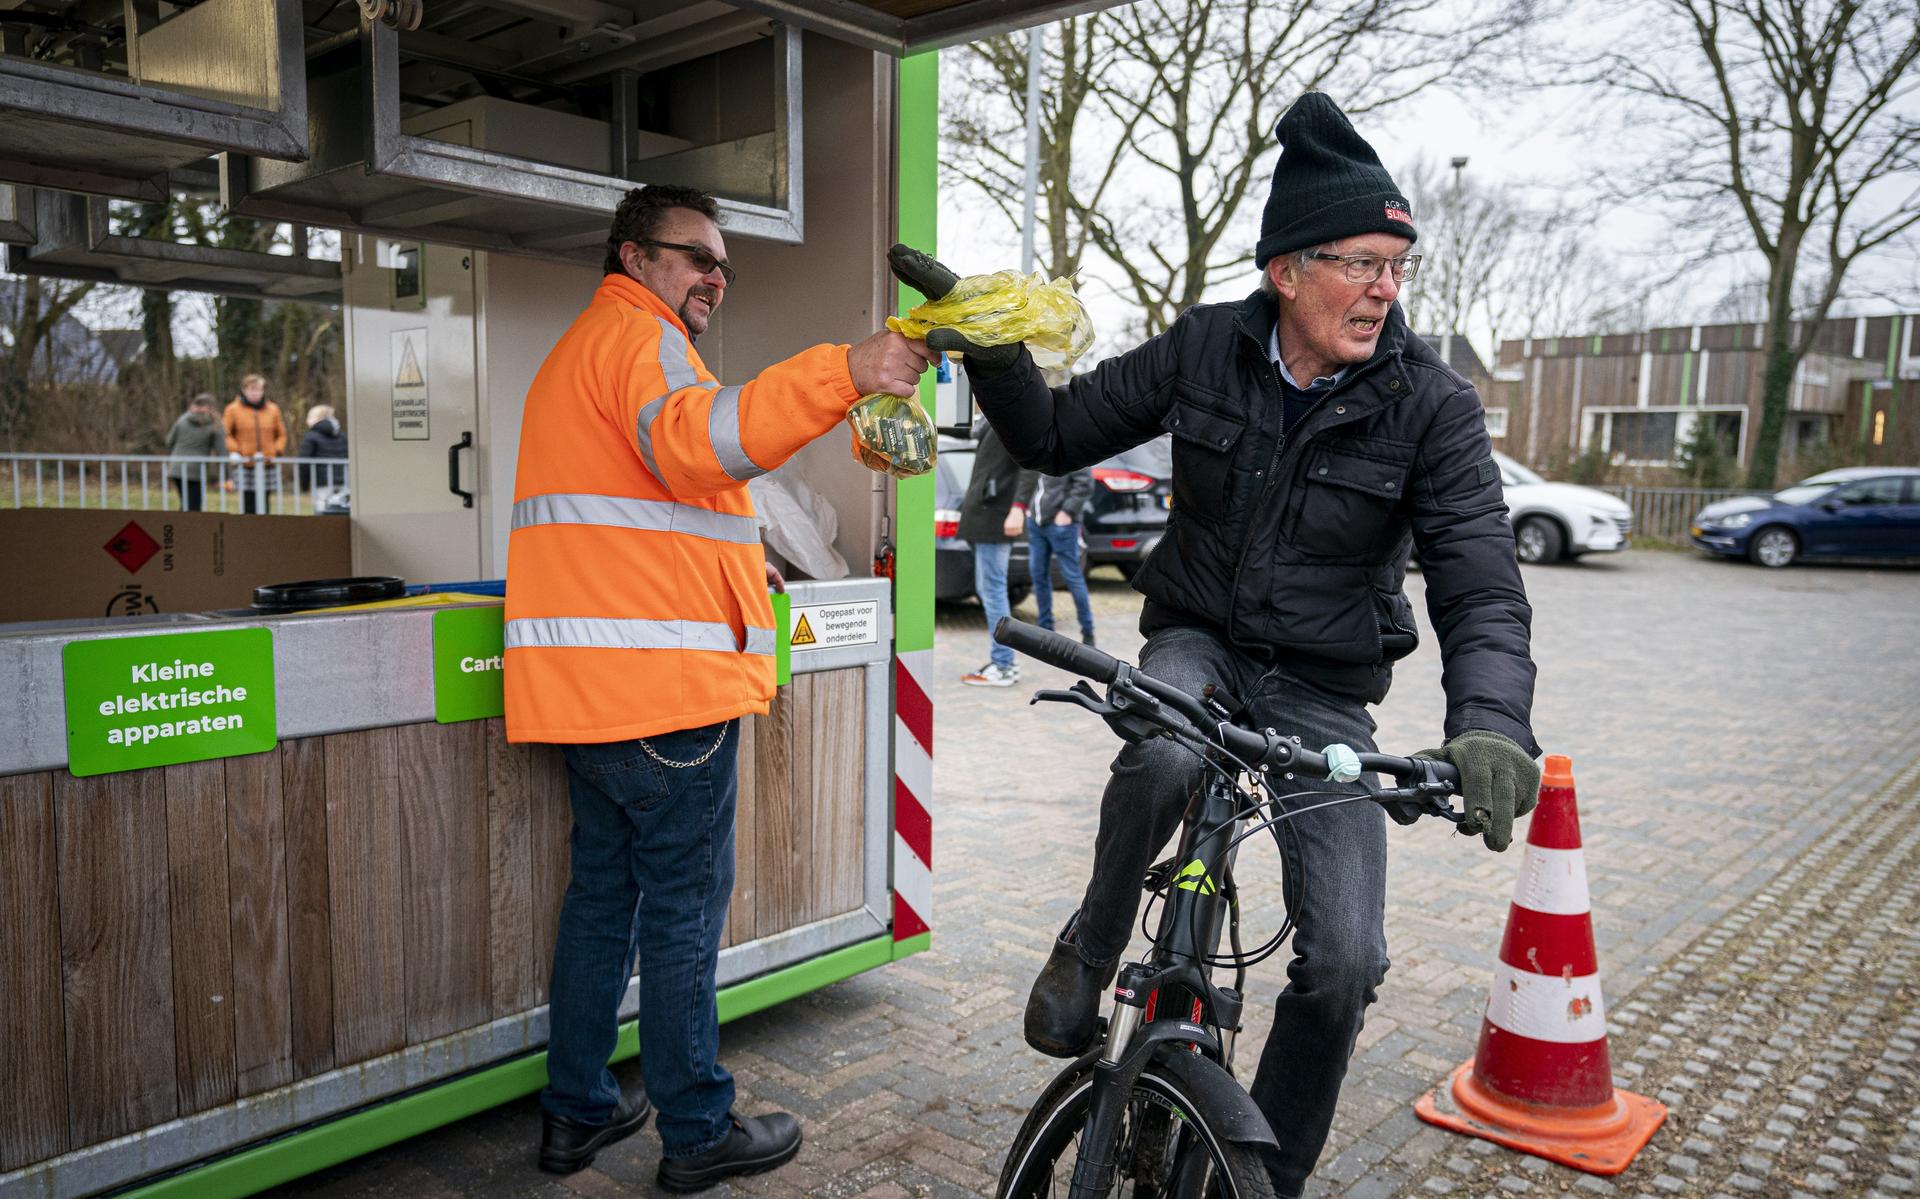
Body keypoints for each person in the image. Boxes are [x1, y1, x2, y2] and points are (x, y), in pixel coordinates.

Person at [890, 92, 1542, 1198]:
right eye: (1362, 262)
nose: (1386, 288)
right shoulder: (1204, 345)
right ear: (1286, 270)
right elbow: (1052, 432)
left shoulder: (1431, 405)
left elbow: (1482, 581)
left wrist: (1489, 723)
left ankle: (1261, 1181)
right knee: (1168, 745)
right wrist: (997, 349)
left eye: (1398, 264)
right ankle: (1091, 948)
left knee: (1345, 960)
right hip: (1200, 640)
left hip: (1326, 693)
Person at [504, 184, 934, 1191]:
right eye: (695, 255)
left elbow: (654, 512)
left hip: (591, 697)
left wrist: (748, 567)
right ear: (633, 255)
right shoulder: (642, 343)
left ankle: (578, 1111)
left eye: (722, 263)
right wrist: (845, 370)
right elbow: (699, 442)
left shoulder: (578, 357)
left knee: (602, 901)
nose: (714, 275)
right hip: (670, 703)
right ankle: (697, 1128)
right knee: (685, 912)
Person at [957, 419, 1034, 686]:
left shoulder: (1014, 416)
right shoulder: (995, 419)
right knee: (989, 588)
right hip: (986, 515)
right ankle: (1002, 661)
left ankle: (1003, 664)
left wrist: (1019, 508)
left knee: (992, 589)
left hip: (995, 516)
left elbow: (1030, 464)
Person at [1020, 466, 1096, 647]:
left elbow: (1085, 484)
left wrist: (1067, 511)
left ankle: (1088, 631)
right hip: (1036, 524)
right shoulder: (1041, 450)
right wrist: (1030, 509)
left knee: (1072, 577)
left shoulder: (1073, 447)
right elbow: (1031, 480)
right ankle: (1045, 629)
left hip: (1062, 525)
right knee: (1038, 575)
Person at [222, 373, 287, 514]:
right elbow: (226, 434)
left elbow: (281, 434)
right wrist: (236, 450)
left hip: (267, 462)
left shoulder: (273, 409)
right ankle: (248, 530)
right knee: (248, 502)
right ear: (244, 390)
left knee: (265, 501)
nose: (255, 393)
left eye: (258, 389)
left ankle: (263, 531)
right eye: (252, 389)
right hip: (245, 462)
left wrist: (276, 450)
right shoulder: (233, 409)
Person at [165, 393, 224, 511]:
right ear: (211, 407)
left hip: (176, 468)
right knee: (194, 506)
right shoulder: (214, 424)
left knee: (185, 503)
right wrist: (227, 476)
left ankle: (179, 527)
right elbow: (221, 451)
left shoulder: (182, 419)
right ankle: (188, 528)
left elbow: (169, 441)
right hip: (196, 471)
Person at [298, 404, 349, 513]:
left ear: (318, 418)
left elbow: (304, 462)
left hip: (322, 484)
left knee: (321, 514)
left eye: (310, 417)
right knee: (341, 513)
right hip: (343, 482)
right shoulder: (342, 436)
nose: (307, 420)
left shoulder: (311, 436)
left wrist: (304, 484)